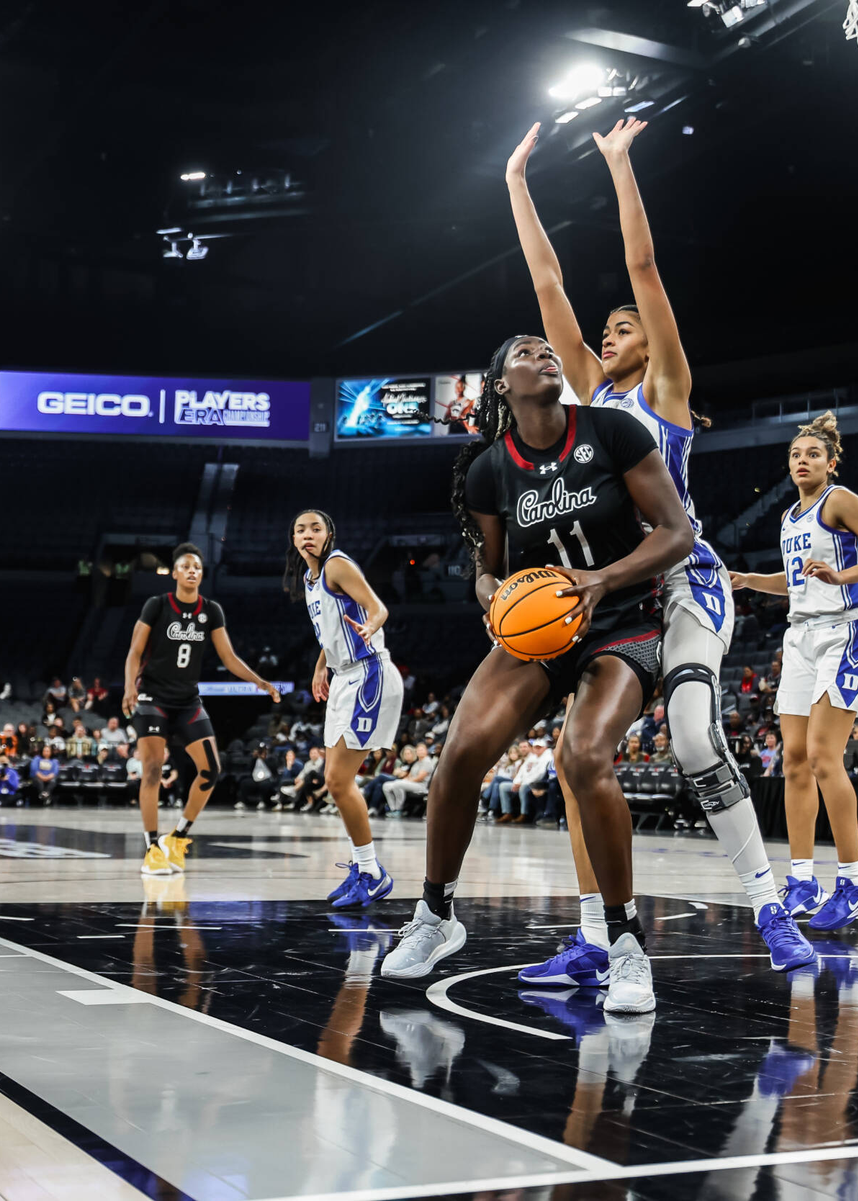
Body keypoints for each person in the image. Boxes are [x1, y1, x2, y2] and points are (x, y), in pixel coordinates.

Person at [502, 117, 810, 990]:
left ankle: (768, 903)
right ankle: (597, 937)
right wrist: (517, 184)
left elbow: (642, 268)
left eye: (625, 327)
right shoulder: (589, 398)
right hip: (612, 594)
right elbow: (547, 280)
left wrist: (618, 163)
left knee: (689, 736)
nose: (610, 332)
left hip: (682, 580)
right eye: (606, 330)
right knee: (575, 758)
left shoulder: (665, 394)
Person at [378, 328, 699, 1016]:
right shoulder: (490, 470)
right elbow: (489, 570)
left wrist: (602, 579)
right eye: (524, 353)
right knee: (459, 753)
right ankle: (435, 915)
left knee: (584, 755)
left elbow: (678, 533)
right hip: (540, 630)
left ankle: (626, 945)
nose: (543, 354)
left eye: (547, 348)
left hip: (622, 619)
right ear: (501, 386)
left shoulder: (611, 430)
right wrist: (491, 593)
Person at [732, 412, 858, 932]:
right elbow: (795, 584)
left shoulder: (840, 500)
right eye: (794, 455)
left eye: (811, 455)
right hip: (801, 637)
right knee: (795, 761)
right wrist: (747, 580)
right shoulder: (789, 518)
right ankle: (803, 880)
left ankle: (854, 882)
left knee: (827, 758)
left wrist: (843, 574)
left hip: (844, 634)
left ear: (831, 463)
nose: (801, 461)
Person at [124, 542, 280, 877]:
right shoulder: (157, 605)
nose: (193, 571)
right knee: (152, 769)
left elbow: (229, 658)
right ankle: (151, 848)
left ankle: (177, 838)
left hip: (187, 701)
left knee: (211, 770)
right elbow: (135, 652)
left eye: (198, 567)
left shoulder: (211, 610)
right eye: (187, 566)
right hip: (152, 699)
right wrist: (128, 688)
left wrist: (261, 682)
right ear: (176, 573)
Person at [288, 508, 405, 906]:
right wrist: (322, 665)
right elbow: (331, 630)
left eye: (315, 528)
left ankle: (372, 871)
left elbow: (377, 607)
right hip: (342, 676)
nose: (307, 534)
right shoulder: (310, 579)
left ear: (328, 534)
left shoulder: (337, 565)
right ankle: (365, 868)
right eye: (300, 529)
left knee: (338, 780)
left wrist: (372, 625)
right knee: (335, 781)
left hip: (368, 672)